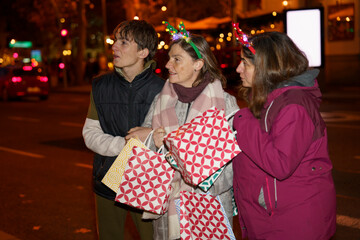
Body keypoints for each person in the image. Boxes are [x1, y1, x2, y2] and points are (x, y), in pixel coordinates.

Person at [131, 22, 239, 240]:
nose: (168, 64)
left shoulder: (225, 104)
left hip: (210, 206)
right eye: (169, 57)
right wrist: (154, 141)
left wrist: (195, 174)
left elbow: (233, 164)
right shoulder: (160, 100)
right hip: (166, 205)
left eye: (177, 59)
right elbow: (142, 147)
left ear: (198, 64)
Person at [232, 30, 336, 239]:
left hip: (292, 223)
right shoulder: (271, 100)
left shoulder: (294, 106)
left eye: (246, 63)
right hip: (272, 218)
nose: (238, 69)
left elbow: (280, 164)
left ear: (267, 67)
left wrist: (245, 122)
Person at [82, 20, 165, 240]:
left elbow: (172, 139)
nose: (114, 46)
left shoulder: (164, 89)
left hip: (148, 182)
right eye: (115, 40)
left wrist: (151, 135)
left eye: (124, 42)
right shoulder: (100, 86)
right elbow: (90, 134)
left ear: (143, 51)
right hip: (108, 179)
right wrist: (126, 145)